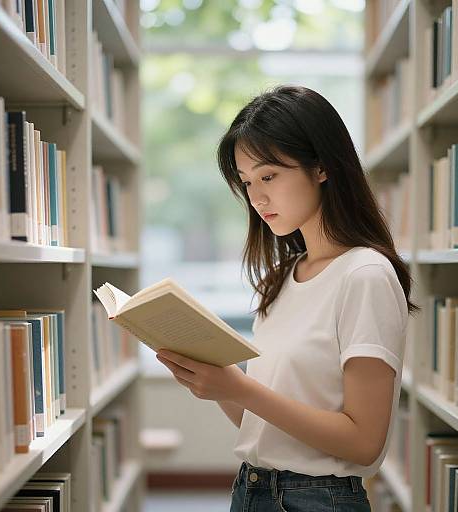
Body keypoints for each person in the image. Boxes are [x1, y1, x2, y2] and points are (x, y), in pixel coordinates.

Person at [155, 84, 419, 512]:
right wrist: (217, 381)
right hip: (251, 490)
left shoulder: (365, 274)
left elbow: (364, 444)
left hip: (318, 500)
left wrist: (239, 386)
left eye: (269, 176)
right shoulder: (281, 278)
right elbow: (260, 424)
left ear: (321, 168)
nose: (257, 197)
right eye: (246, 182)